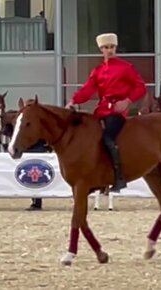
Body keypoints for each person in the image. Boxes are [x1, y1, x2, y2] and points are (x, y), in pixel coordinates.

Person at [65, 32, 147, 192]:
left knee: (109, 138)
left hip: (117, 112)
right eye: (106, 48)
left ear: (115, 48)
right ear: (101, 50)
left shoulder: (126, 68)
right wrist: (73, 101)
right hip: (101, 111)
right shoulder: (98, 71)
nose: (109, 50)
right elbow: (87, 90)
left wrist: (128, 101)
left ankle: (118, 176)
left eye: (112, 47)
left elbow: (140, 87)